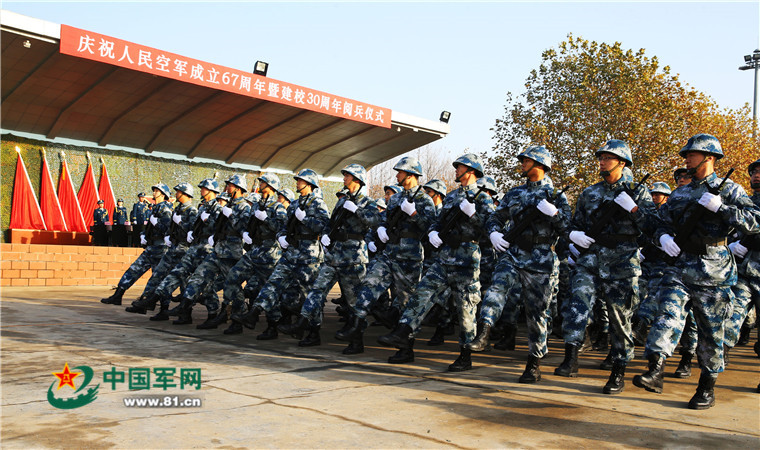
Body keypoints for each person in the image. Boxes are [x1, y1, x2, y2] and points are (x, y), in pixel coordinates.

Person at [633, 134, 760, 409]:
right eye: (687, 155)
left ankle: (706, 387)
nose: (687, 159)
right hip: (680, 266)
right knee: (667, 314)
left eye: (692, 154)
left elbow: (755, 222)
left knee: (711, 331)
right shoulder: (680, 193)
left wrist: (722, 209)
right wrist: (663, 237)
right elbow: (661, 222)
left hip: (714, 270)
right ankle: (655, 369)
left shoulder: (731, 190)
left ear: (709, 158)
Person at [554, 139, 656, 395]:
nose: (602, 161)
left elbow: (652, 226)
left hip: (622, 261)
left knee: (619, 317)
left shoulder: (638, 192)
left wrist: (633, 209)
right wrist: (574, 236)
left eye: (607, 158)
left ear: (622, 162)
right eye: (600, 157)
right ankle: (571, 357)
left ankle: (618, 370)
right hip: (590, 259)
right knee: (577, 305)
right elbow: (574, 224)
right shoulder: (590, 193)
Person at [377, 154, 495, 372]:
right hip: (445, 257)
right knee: (422, 293)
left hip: (467, 259)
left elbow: (490, 231)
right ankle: (403, 332)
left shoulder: (483, 199)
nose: (456, 170)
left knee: (465, 310)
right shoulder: (452, 196)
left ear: (471, 171)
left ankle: (465, 355)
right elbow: (436, 222)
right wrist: (433, 233)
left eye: (460, 167)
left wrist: (474, 216)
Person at [468, 146, 570, 383]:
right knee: (496, 288)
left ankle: (534, 363)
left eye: (527, 160)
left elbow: (567, 228)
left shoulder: (555, 196)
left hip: (540, 258)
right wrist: (494, 233)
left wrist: (554, 214)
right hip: (513, 253)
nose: (522, 163)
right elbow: (496, 217)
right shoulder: (515, 193)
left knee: (537, 312)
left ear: (540, 165)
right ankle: (484, 331)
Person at [334, 157, 436, 355]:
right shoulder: (396, 199)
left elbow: (430, 228)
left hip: (410, 257)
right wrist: (381, 228)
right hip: (389, 253)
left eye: (400, 172)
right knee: (369, 285)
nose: (397, 175)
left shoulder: (424, 200)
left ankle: (406, 347)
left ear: (411, 175)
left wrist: (414, 214)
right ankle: (356, 325)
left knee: (406, 302)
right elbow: (382, 219)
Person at [280, 164, 379, 346]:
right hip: (334, 256)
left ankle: (356, 340)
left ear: (357, 179)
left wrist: (356, 210)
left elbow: (375, 222)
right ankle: (305, 325)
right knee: (316, 290)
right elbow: (330, 223)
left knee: (353, 301)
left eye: (347, 176)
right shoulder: (342, 202)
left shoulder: (367, 202)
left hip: (353, 258)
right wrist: (326, 235)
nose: (344, 178)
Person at [235, 169, 330, 333]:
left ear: (309, 184)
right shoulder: (294, 204)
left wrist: (305, 219)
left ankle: (313, 331)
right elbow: (284, 226)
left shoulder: (318, 203)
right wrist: (281, 237)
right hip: (291, 253)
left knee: (309, 295)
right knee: (273, 282)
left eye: (300, 180)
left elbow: (323, 227)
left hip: (309, 256)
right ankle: (253, 313)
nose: (297, 183)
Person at [173, 175, 251, 326]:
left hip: (231, 253)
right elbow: (217, 226)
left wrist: (231, 215)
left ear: (238, 188)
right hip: (218, 249)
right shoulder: (228, 205)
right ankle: (184, 305)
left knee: (232, 286)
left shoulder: (244, 207)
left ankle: (238, 318)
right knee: (199, 275)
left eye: (230, 185)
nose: (227, 188)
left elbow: (244, 229)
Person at [217, 174, 288, 335]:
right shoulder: (255, 205)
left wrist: (266, 219)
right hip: (254, 250)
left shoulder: (278, 207)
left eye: (263, 182)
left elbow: (281, 228)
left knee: (267, 289)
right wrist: (245, 232)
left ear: (270, 186)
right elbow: (246, 225)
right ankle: (239, 316)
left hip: (269, 253)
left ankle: (272, 325)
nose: (260, 184)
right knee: (232, 278)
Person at [143, 178, 222, 321]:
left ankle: (212, 314)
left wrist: (207, 223)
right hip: (195, 247)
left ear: (211, 191)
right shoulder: (202, 208)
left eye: (204, 188)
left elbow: (219, 228)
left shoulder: (218, 208)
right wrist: (190, 232)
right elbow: (194, 226)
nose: (201, 190)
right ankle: (155, 299)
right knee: (178, 273)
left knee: (205, 282)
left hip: (208, 249)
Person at [125, 183, 198, 315]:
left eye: (179, 192)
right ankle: (152, 304)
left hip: (184, 250)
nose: (176, 194)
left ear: (185, 193)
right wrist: (168, 236)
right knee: (159, 275)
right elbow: (170, 228)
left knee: (183, 281)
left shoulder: (191, 210)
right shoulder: (177, 209)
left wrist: (180, 222)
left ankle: (185, 313)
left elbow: (193, 231)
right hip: (173, 248)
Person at [101, 183, 173, 305]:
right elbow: (150, 227)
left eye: (157, 191)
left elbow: (166, 229)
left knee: (159, 278)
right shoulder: (156, 208)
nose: (154, 192)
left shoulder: (165, 209)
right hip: (151, 247)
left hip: (160, 248)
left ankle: (161, 307)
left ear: (163, 194)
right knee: (134, 269)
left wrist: (156, 223)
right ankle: (118, 295)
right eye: (154, 190)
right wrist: (143, 234)